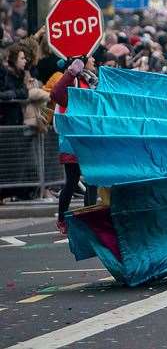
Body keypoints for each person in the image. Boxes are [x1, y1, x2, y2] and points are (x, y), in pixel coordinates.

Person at [51, 56, 100, 235]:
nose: (95, 61)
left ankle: (90, 220)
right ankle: (62, 220)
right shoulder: (72, 83)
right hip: (72, 142)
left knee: (93, 180)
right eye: (91, 59)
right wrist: (70, 73)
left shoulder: (92, 82)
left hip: (89, 140)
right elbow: (56, 94)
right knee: (71, 182)